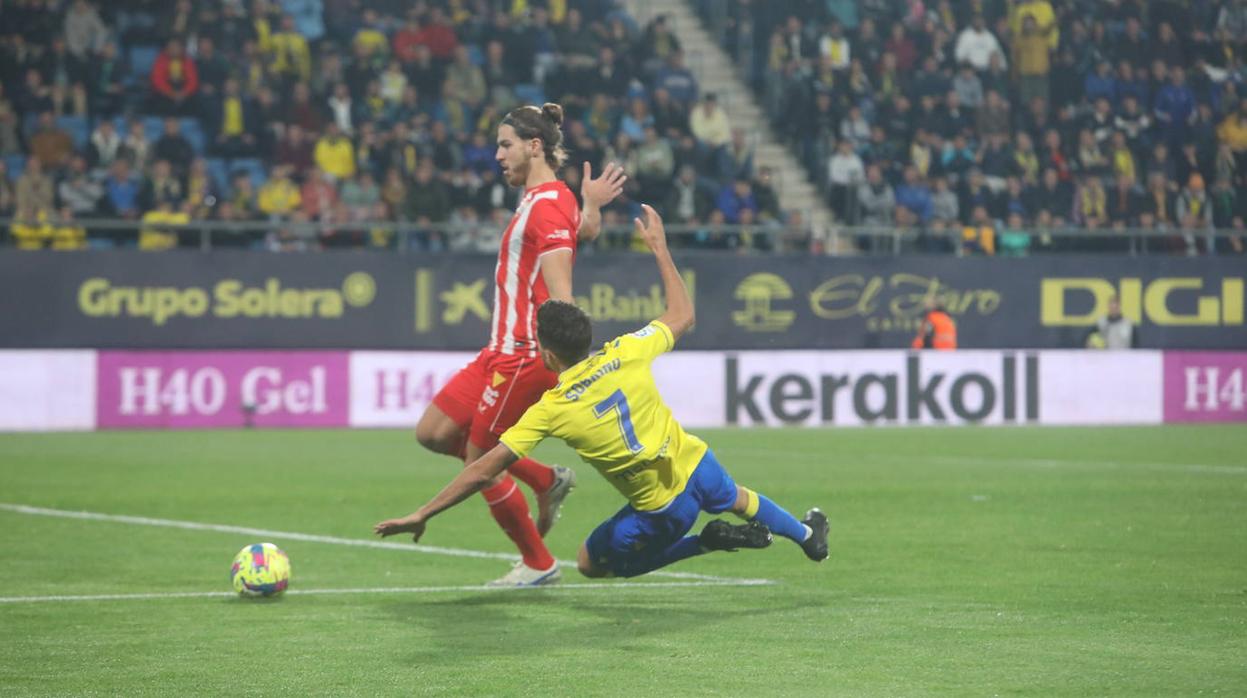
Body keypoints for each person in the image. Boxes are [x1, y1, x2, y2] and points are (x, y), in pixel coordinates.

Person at [375, 205, 830, 579]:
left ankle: (705, 543)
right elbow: (683, 315)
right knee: (739, 498)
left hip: (660, 509)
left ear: (548, 355)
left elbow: (480, 470)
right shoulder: (627, 351)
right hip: (695, 463)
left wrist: (424, 512)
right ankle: (809, 538)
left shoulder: (551, 408)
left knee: (593, 565)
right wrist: (659, 248)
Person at [410, 103, 627, 587]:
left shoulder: (546, 205)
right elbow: (581, 231)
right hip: (497, 352)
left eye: (505, 144)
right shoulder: (555, 199)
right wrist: (591, 206)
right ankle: (544, 478)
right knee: (432, 432)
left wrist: (569, 366)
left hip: (524, 356)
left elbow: (563, 295)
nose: (497, 155)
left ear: (534, 147)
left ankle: (538, 563)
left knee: (480, 461)